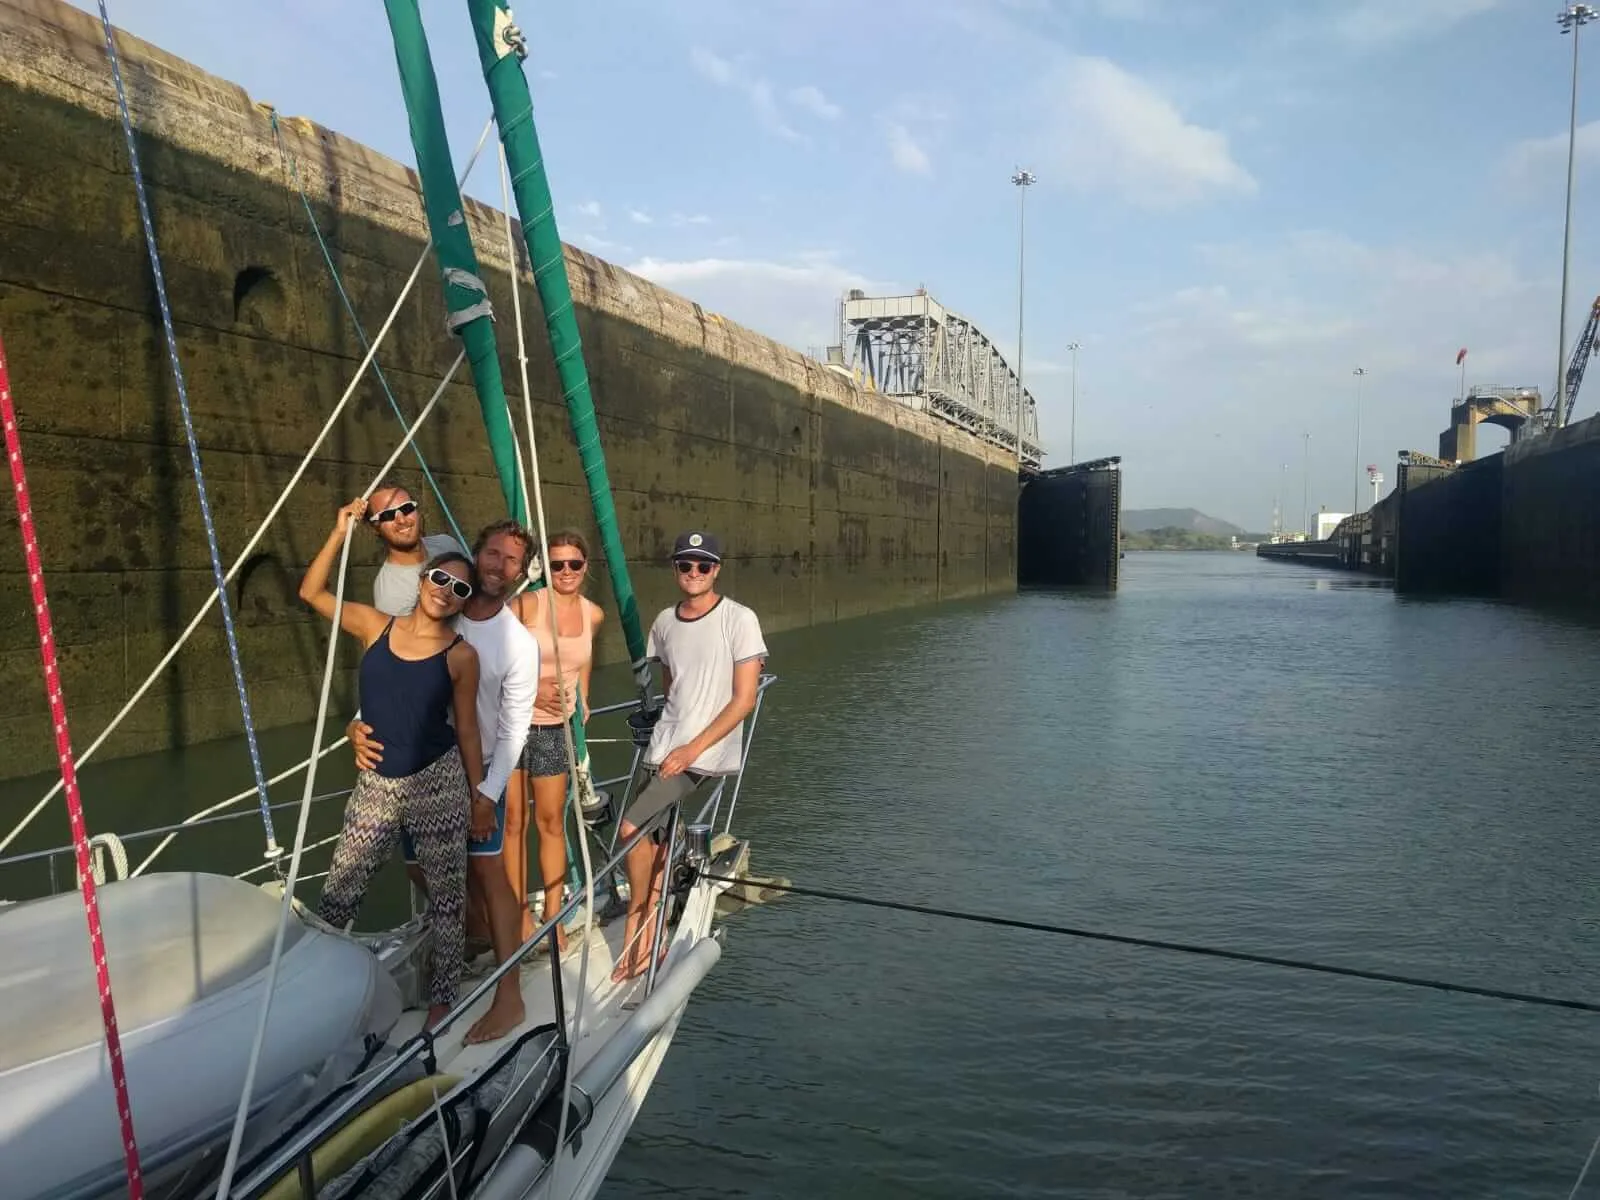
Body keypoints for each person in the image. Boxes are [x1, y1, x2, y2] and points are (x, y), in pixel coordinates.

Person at [349, 519, 539, 1044]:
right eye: (493, 553)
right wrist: (356, 722)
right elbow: (392, 671)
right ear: (474, 555)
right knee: (419, 870)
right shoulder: (439, 608)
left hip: (479, 778)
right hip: (418, 771)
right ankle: (473, 937)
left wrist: (487, 795)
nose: (500, 566)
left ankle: (510, 995)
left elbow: (513, 729)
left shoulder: (517, 645)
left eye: (513, 560)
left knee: (489, 875)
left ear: (523, 573)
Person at [298, 498, 482, 1029]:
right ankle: (317, 992)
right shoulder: (374, 625)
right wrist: (339, 533)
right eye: (441, 580)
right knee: (340, 892)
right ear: (424, 579)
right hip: (378, 781)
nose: (447, 591)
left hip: (437, 779)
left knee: (448, 898)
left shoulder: (461, 656)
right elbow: (310, 593)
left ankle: (442, 998)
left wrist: (478, 797)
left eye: (460, 590)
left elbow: (466, 729)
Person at [611, 531, 766, 984]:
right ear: (675, 569)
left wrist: (690, 749)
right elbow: (671, 685)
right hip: (664, 744)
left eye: (703, 565)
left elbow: (744, 701)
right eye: (685, 565)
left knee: (630, 827)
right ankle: (652, 922)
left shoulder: (739, 619)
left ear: (716, 570)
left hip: (702, 752)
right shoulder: (664, 622)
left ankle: (639, 927)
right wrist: (669, 743)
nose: (693, 573)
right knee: (653, 836)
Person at [508, 530, 605, 949]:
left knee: (550, 823)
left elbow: (582, 655)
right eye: (557, 564)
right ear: (546, 569)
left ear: (585, 567)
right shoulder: (526, 604)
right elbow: (491, 657)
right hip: (511, 725)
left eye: (574, 564)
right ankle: (516, 917)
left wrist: (582, 694)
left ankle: (554, 917)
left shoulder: (593, 614)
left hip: (553, 730)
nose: (566, 572)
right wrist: (534, 690)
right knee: (514, 824)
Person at [366, 482, 468, 617]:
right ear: (375, 527)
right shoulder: (389, 594)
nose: (402, 520)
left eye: (407, 508)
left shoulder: (447, 544)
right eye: (387, 515)